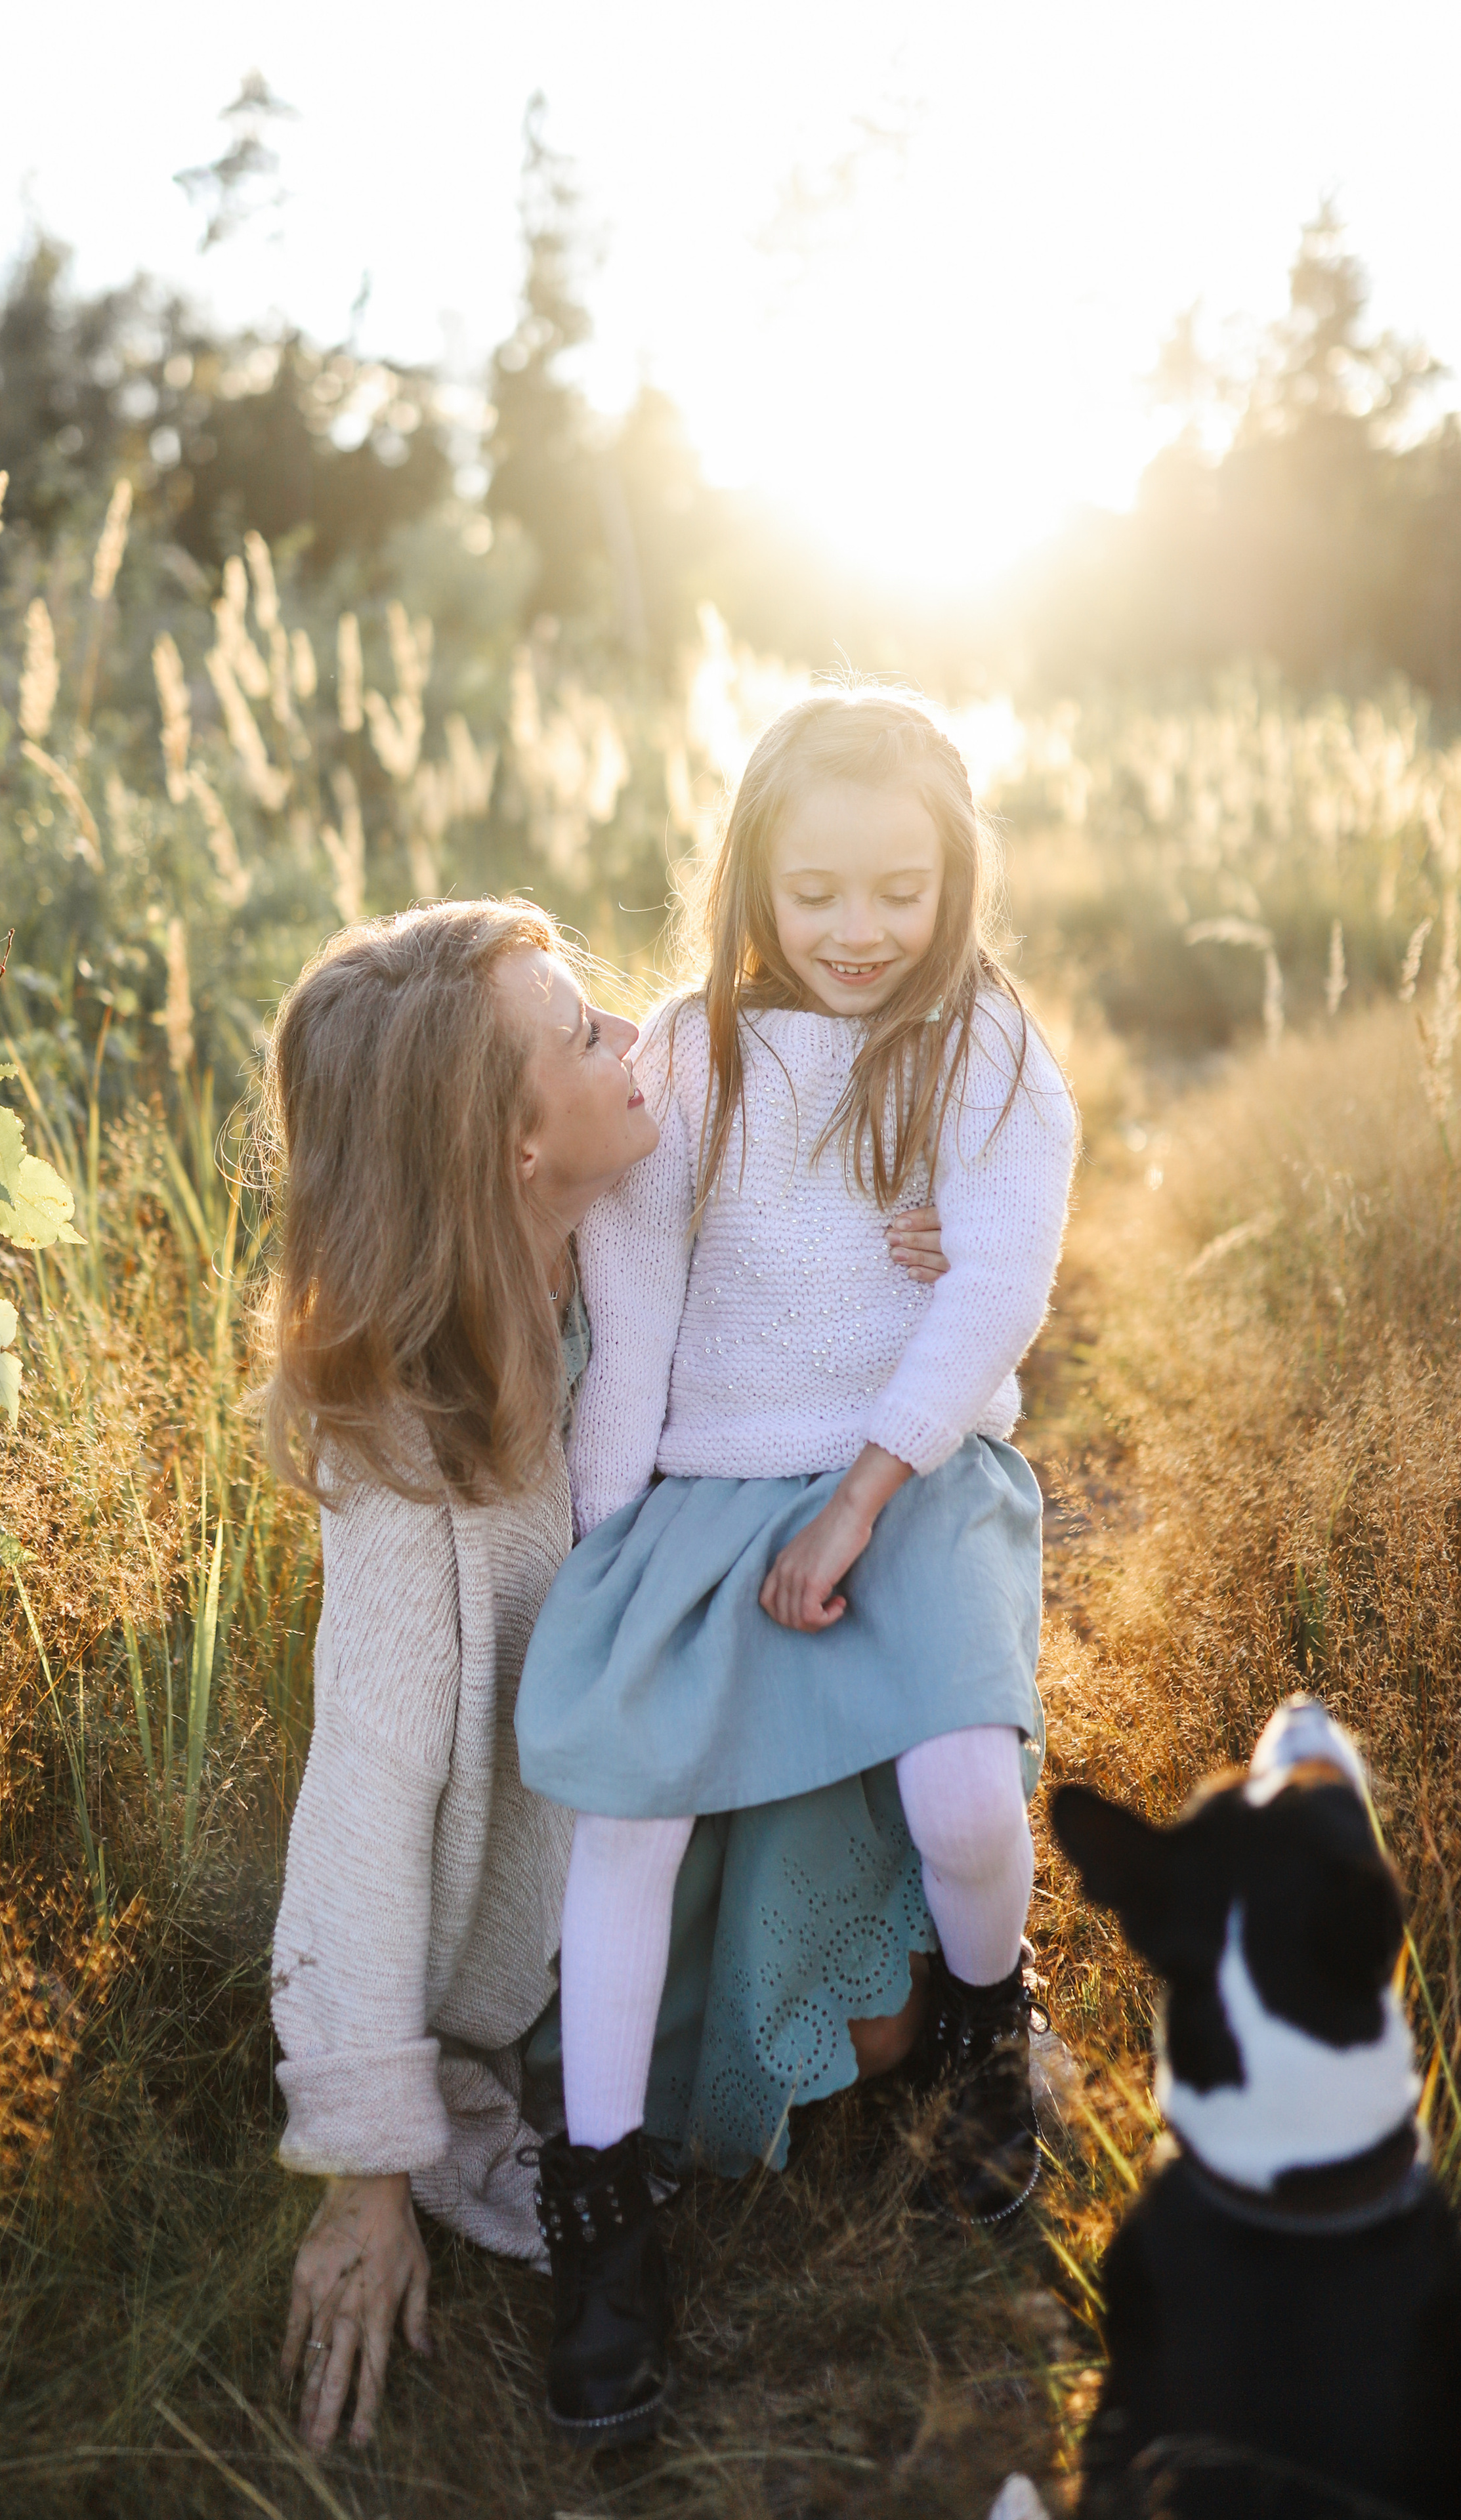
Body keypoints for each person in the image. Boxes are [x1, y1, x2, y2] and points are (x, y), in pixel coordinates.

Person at [260, 895, 954, 2450]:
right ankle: (614, 2144)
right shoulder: (408, 1467)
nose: (629, 1035)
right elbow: (362, 1802)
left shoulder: (641, 1210)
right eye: (581, 1036)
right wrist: (365, 2175)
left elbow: (832, 1225)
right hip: (586, 1844)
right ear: (515, 1151)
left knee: (899, 2012)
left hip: (720, 1696)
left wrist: (924, 1240)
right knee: (861, 2040)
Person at [515, 686, 1078, 2441]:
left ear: (956, 883)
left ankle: (989, 2037)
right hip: (709, 1479)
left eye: (898, 890)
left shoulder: (982, 1043)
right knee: (628, 1817)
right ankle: (605, 2214)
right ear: (754, 872)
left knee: (968, 1792)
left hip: (907, 1475)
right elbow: (642, 1298)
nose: (856, 932)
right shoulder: (693, 1049)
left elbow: (994, 1282)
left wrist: (855, 1502)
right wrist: (613, 1546)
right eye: (816, 889)